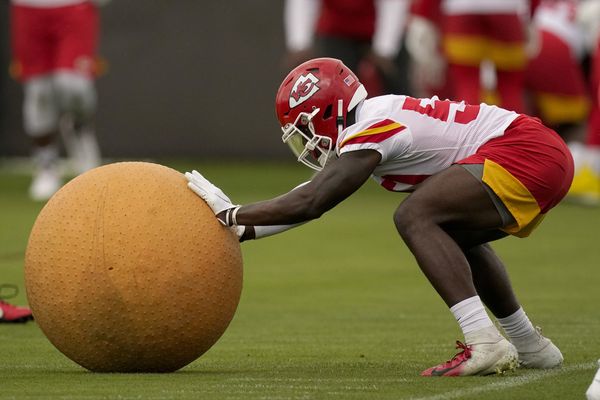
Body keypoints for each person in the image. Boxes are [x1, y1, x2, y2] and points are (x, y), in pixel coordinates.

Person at [186, 57, 569, 376]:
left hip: (525, 151)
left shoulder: (372, 126)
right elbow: (312, 198)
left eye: (305, 128)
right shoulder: (374, 119)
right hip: (537, 151)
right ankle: (530, 345)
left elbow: (315, 201)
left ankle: (484, 340)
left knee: (416, 216)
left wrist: (234, 212)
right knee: (450, 232)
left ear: (328, 110)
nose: (306, 140)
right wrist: (241, 227)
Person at [9, 0, 109, 201]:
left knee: (74, 86)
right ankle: (46, 165)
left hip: (73, 7)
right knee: (39, 92)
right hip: (28, 9)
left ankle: (80, 125)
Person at [283, 0, 412, 96]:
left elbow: (393, 4)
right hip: (337, 31)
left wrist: (384, 50)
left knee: (394, 87)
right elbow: (303, 3)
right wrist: (300, 44)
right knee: (335, 88)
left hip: (378, 27)